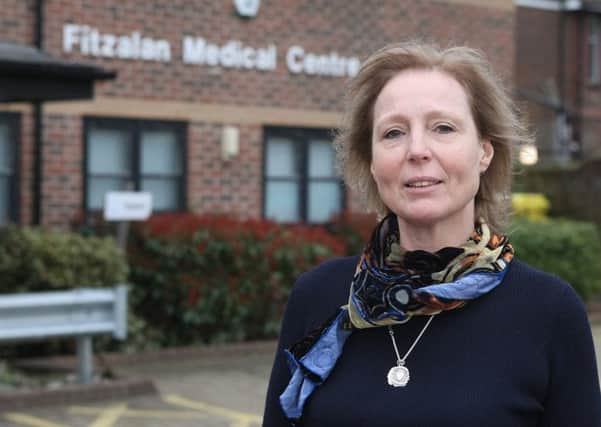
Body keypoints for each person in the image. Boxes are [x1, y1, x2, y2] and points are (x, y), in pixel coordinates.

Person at [262, 41, 601, 427]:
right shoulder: (317, 298)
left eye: (443, 127)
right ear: (372, 162)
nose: (417, 150)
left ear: (484, 152)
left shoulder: (550, 313)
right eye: (393, 133)